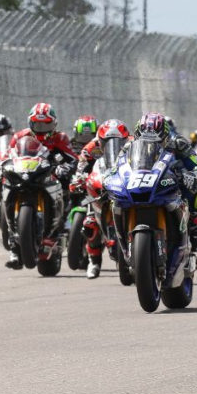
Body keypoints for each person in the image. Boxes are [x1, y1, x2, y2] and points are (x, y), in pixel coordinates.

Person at [4, 103, 78, 269]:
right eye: (38, 125)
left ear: (54, 124)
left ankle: (61, 225)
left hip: (49, 176)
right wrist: (1, 166)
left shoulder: (60, 138)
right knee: (5, 185)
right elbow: (7, 156)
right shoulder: (19, 136)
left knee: (68, 187)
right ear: (31, 123)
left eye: (47, 125)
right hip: (25, 174)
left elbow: (73, 159)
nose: (42, 129)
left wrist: (63, 168)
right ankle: (11, 235)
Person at [130, 112, 197, 252]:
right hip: (140, 185)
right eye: (144, 140)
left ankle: (194, 230)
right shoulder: (129, 146)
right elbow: (116, 167)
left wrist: (195, 175)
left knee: (196, 194)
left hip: (171, 187)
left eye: (157, 141)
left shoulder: (178, 144)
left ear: (165, 136)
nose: (151, 145)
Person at [69, 119, 131, 278]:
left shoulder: (133, 143)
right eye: (107, 141)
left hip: (125, 182)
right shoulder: (91, 147)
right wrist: (78, 179)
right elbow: (81, 165)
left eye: (118, 141)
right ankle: (94, 261)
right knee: (90, 223)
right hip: (100, 181)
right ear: (101, 139)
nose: (113, 144)